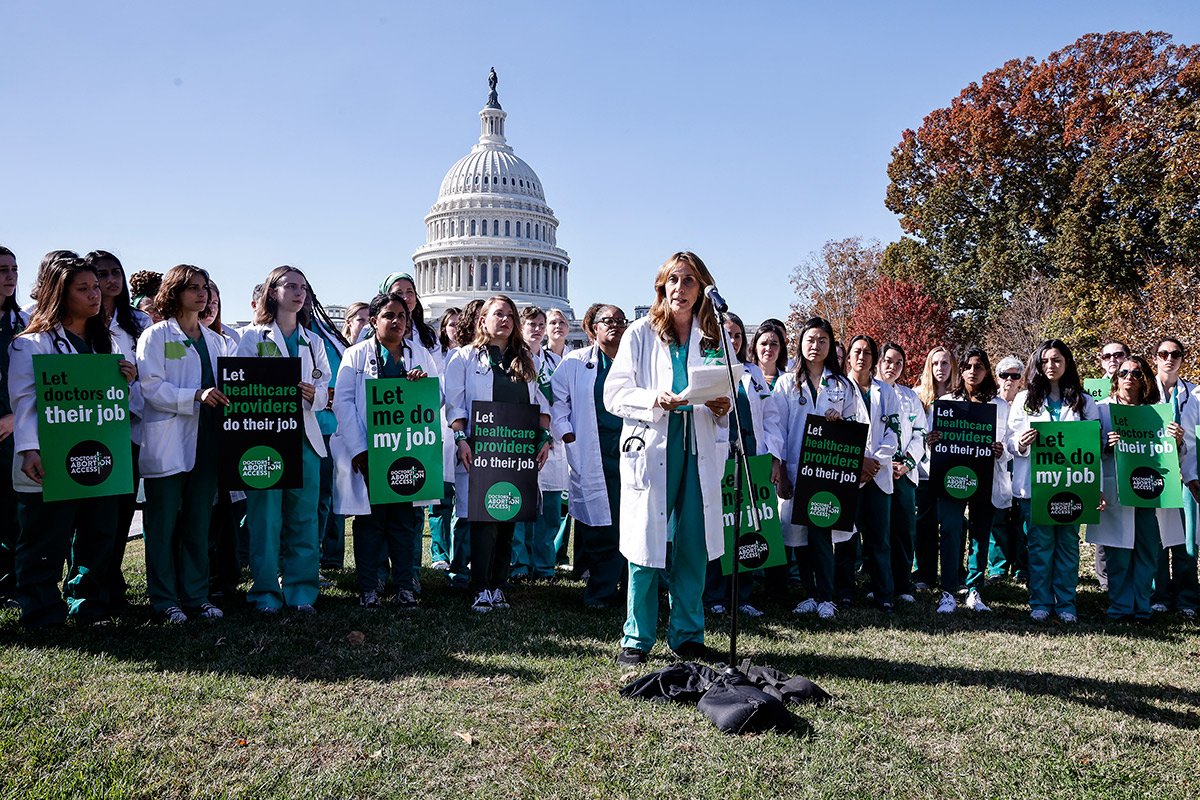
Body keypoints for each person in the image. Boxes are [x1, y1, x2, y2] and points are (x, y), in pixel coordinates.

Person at [606, 251, 732, 664]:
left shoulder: (716, 336)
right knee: (645, 543)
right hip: (654, 442)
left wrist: (721, 407)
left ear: (702, 289)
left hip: (699, 447)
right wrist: (652, 399)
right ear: (662, 286)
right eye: (673, 280)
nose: (680, 289)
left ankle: (687, 635)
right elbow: (615, 394)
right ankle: (636, 638)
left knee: (693, 543)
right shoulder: (640, 333)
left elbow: (729, 388)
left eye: (690, 281)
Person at [7, 256, 138, 627]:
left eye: (95, 287)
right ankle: (41, 611)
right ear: (60, 294)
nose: (95, 295)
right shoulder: (30, 345)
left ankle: (89, 606)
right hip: (49, 456)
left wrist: (126, 380)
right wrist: (29, 449)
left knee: (98, 533)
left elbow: (110, 402)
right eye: (83, 289)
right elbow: (25, 402)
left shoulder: (107, 340)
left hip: (100, 454)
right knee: (44, 538)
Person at [445, 294, 551, 613]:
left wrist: (543, 437)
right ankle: (480, 585)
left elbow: (540, 404)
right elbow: (455, 403)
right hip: (480, 449)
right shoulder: (463, 358)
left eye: (509, 315)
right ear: (483, 320)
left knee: (508, 516)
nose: (504, 319)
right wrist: (462, 438)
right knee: (483, 518)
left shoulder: (525, 360)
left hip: (516, 450)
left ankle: (498, 584)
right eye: (497, 314)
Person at [137, 265, 230, 623]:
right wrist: (194, 395)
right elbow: (150, 388)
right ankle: (164, 600)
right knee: (162, 524)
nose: (202, 294)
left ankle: (196, 595)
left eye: (204, 287)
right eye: (193, 288)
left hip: (208, 440)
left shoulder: (217, 340)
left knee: (198, 521)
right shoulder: (156, 336)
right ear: (174, 293)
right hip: (169, 439)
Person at [331, 292, 436, 609]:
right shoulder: (356, 355)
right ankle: (368, 588)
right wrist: (361, 450)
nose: (397, 321)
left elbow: (437, 399)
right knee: (370, 524)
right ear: (373, 321)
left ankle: (404, 586)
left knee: (404, 523)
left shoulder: (419, 355)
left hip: (406, 454)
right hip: (370, 455)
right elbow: (344, 403)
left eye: (402, 316)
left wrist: (423, 384)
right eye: (389, 315)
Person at [236, 266, 330, 614]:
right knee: (265, 519)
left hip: (304, 438)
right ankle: (264, 594)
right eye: (290, 286)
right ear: (272, 292)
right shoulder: (252, 338)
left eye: (303, 287)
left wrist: (312, 395)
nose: (298, 292)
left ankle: (301, 592)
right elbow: (242, 384)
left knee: (304, 518)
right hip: (266, 440)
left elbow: (325, 390)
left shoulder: (313, 340)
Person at [765, 317, 858, 620]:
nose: (815, 346)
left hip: (829, 469)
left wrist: (841, 422)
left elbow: (857, 424)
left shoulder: (843, 385)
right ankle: (808, 593)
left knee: (823, 533)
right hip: (796, 467)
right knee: (800, 536)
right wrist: (780, 467)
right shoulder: (785, 383)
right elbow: (775, 426)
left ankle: (826, 596)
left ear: (830, 345)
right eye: (810, 340)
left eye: (822, 340)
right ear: (800, 343)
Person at [1008, 340, 1099, 622]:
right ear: (1038, 365)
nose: (1051, 366)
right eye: (1045, 361)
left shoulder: (1085, 401)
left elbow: (1092, 445)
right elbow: (1011, 441)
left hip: (1073, 485)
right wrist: (1021, 443)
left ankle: (1066, 604)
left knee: (1068, 546)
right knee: (1040, 547)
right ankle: (1041, 602)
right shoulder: (1025, 400)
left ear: (1067, 363)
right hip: (1037, 486)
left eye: (1057, 360)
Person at [1090, 356, 1184, 622]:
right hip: (1116, 489)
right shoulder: (1101, 410)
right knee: (1117, 554)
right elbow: (1087, 452)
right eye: (1123, 372)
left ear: (1146, 381)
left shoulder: (1158, 412)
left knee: (1147, 550)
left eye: (1136, 373)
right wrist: (1106, 446)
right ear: (1115, 378)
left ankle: (1142, 607)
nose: (1129, 377)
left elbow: (1170, 455)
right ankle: (1120, 607)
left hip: (1148, 490)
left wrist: (1177, 442)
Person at [552, 303, 629, 608]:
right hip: (593, 451)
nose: (615, 325)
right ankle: (601, 592)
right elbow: (557, 402)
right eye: (607, 320)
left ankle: (631, 593)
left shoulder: (636, 362)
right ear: (592, 327)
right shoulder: (574, 362)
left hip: (632, 451)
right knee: (601, 529)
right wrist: (568, 436)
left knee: (633, 525)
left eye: (621, 321)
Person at [87, 250, 151, 611]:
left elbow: (152, 368)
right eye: (102, 274)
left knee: (122, 511)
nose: (111, 280)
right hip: (90, 425)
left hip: (131, 426)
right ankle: (87, 586)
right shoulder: (79, 320)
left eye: (116, 273)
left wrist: (135, 374)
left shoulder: (138, 321)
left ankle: (113, 582)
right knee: (92, 513)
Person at [932, 347, 1011, 614]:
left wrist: (1003, 450)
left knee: (980, 533)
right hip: (952, 477)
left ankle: (975, 590)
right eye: (967, 367)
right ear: (960, 370)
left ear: (987, 371)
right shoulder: (946, 401)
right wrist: (931, 439)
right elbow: (935, 440)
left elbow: (1009, 441)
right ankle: (948, 591)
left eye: (978, 367)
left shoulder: (999, 406)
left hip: (987, 478)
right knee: (952, 528)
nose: (973, 372)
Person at [703, 312, 771, 618]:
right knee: (718, 527)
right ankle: (714, 595)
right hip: (719, 459)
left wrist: (769, 456)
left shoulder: (753, 373)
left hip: (750, 457)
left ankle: (742, 595)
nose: (733, 340)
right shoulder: (706, 369)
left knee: (748, 526)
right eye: (727, 334)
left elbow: (768, 418)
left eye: (738, 336)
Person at [834, 334, 899, 611]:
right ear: (848, 356)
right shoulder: (836, 389)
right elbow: (835, 432)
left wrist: (874, 463)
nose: (861, 357)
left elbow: (894, 432)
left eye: (867, 353)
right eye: (857, 352)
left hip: (878, 475)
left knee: (879, 539)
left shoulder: (886, 392)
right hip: (849, 472)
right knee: (845, 538)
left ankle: (884, 594)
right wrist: (858, 460)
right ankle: (845, 592)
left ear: (874, 359)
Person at [511, 306, 568, 582]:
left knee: (551, 511)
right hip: (520, 440)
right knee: (520, 508)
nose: (537, 328)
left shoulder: (554, 362)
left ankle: (544, 566)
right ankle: (519, 565)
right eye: (531, 324)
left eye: (541, 324)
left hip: (551, 443)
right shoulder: (512, 360)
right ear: (521, 328)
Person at [1151, 338, 1199, 618]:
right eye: (1163, 354)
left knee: (1185, 541)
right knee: (1157, 537)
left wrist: (1191, 472)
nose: (1169, 359)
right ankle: (1159, 595)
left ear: (1183, 359)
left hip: (1186, 476)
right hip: (1154, 474)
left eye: (1176, 354)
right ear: (1155, 358)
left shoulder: (1194, 395)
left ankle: (1187, 599)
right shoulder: (1145, 393)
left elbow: (1196, 441)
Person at [875, 342, 925, 605]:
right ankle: (878, 583)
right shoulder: (870, 393)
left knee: (904, 530)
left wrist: (907, 463)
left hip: (903, 473)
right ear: (878, 362)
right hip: (877, 471)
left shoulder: (910, 396)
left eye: (898, 363)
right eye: (887, 361)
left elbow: (921, 434)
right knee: (878, 531)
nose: (892, 367)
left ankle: (903, 585)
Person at [913, 346, 959, 591]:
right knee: (926, 525)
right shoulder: (918, 396)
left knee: (954, 525)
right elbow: (909, 433)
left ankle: (956, 574)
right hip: (925, 472)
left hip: (953, 472)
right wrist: (925, 439)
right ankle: (925, 575)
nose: (940, 369)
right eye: (935, 363)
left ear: (953, 367)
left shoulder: (961, 397)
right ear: (928, 367)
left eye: (945, 363)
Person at [0, 246, 27, 605]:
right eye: (2, 269)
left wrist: (12, 417)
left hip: (13, 430)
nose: (10, 275)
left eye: (14, 269)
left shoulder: (25, 323)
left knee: (12, 516)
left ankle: (10, 587)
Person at [1092, 340, 1130, 590]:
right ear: (1101, 361)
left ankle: (1132, 580)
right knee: (1105, 529)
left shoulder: (1144, 394)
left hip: (1134, 469)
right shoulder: (1093, 397)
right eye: (1107, 356)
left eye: (1118, 355)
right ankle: (1106, 583)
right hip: (1105, 468)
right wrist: (1105, 445)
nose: (1113, 360)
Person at [987, 355, 1027, 584]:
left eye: (1015, 376)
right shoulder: (992, 404)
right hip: (998, 468)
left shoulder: (1028, 403)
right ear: (997, 378)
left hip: (1021, 465)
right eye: (1004, 375)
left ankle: (1022, 567)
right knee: (998, 518)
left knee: (1021, 519)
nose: (1009, 380)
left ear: (1021, 380)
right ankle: (998, 567)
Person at [428, 308, 462, 573]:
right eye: (451, 324)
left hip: (464, 437)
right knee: (439, 499)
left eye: (459, 324)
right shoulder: (432, 357)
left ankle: (460, 551)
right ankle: (439, 552)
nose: (455, 328)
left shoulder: (474, 357)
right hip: (438, 432)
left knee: (463, 499)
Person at [748, 318, 788, 391]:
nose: (768, 348)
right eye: (764, 344)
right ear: (755, 348)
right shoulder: (745, 378)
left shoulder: (789, 380)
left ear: (780, 348)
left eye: (773, 344)